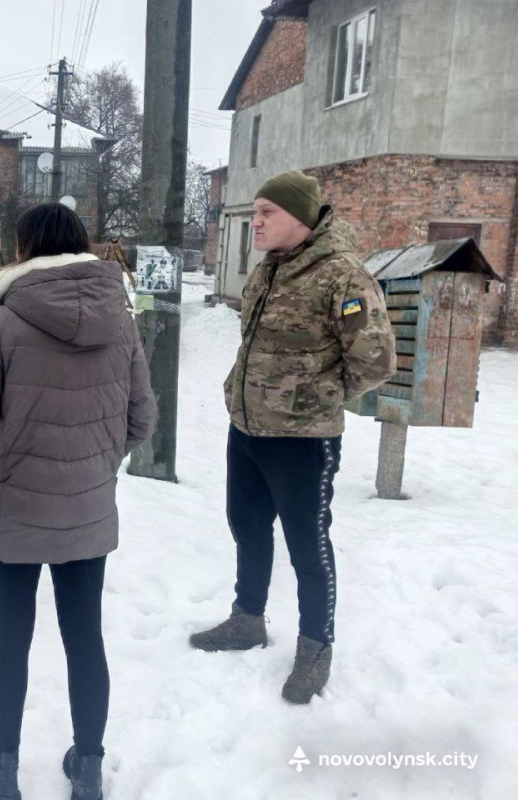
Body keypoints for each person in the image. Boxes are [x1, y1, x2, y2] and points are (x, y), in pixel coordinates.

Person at [0, 203, 156, 800]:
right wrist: (96, 463)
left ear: (25, 250)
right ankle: (88, 768)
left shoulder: (4, 323)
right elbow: (141, 419)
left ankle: (4, 770)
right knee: (85, 636)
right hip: (87, 510)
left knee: (9, 639)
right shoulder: (122, 319)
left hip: (11, 510)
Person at [189, 170, 395, 703]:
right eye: (254, 212)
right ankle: (248, 619)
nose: (254, 223)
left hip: (304, 441)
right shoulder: (268, 271)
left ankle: (315, 646)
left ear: (300, 219)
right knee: (248, 527)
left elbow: (375, 360)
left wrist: (315, 400)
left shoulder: (342, 276)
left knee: (308, 545)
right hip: (248, 428)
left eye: (266, 214)